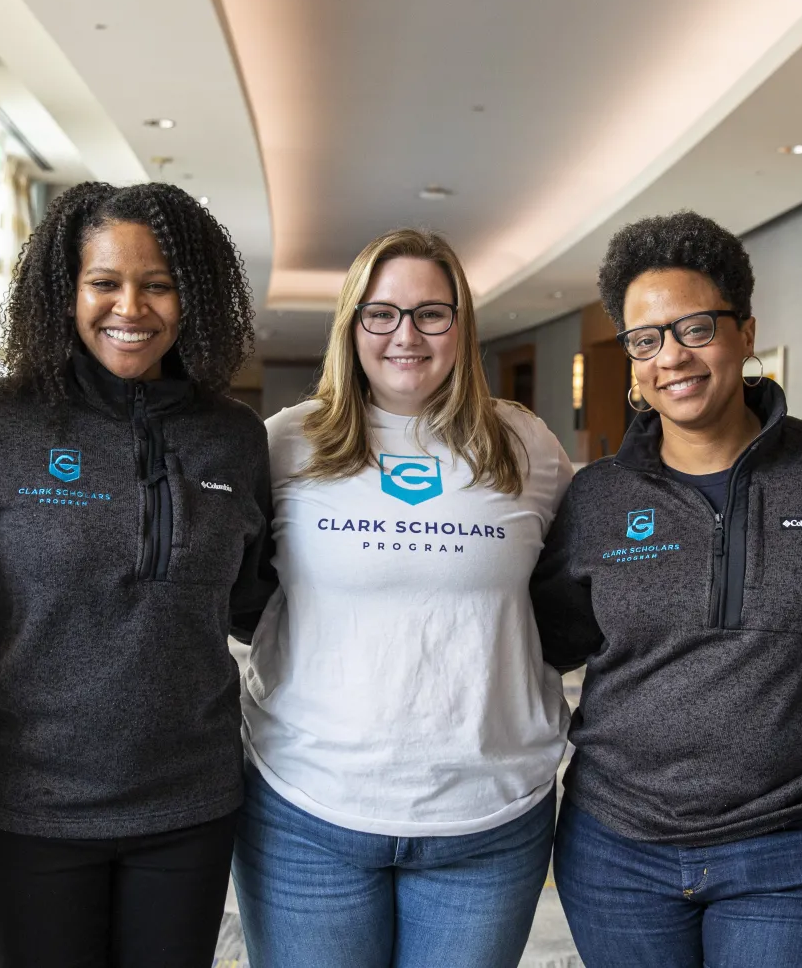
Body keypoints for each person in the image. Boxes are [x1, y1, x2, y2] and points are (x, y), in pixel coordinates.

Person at [0, 181, 271, 968]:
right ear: (66, 293)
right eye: (105, 283)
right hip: (30, 798)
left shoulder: (234, 437)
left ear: (193, 297)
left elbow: (253, 600)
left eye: (159, 285)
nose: (130, 308)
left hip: (190, 797)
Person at [531, 212, 802, 968]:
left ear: (745, 331)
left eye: (695, 328)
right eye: (645, 340)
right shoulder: (597, 497)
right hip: (619, 852)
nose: (671, 356)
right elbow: (546, 640)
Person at [234, 229, 574, 968]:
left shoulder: (526, 446)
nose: (406, 335)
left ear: (462, 325)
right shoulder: (285, 443)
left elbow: (575, 591)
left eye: (431, 314)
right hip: (306, 809)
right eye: (381, 313)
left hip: (487, 816)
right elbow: (240, 590)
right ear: (351, 325)